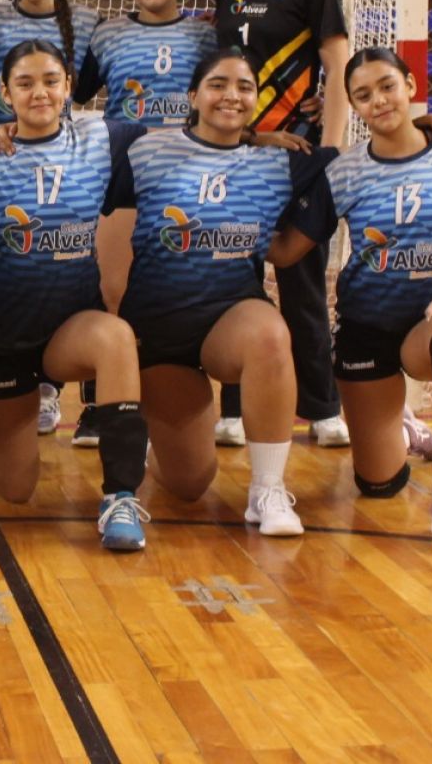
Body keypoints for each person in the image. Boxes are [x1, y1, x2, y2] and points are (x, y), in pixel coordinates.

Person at [270, 47, 432, 552]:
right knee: (378, 485)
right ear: (352, 106)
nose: (377, 100)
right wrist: (231, 227)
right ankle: (401, 430)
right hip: (365, 328)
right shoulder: (345, 172)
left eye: (386, 87)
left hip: (427, 323)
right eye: (363, 95)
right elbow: (290, 251)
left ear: (409, 85)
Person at [106, 48, 315, 536]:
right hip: (159, 335)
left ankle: (267, 490)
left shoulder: (280, 161)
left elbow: (378, 155)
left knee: (270, 335)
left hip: (230, 318)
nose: (232, 95)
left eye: (244, 87)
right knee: (189, 484)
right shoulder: (142, 147)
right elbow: (57, 130)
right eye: (218, 84)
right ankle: (163, 437)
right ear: (193, 96)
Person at [0, 40, 152, 550]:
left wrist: (257, 136)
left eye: (51, 80)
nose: (40, 92)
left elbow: (192, 140)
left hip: (71, 329)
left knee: (116, 336)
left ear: (70, 86)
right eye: (24, 83)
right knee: (14, 488)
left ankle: (120, 496)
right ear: (5, 93)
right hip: (2, 336)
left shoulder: (100, 136)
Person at [213, 0, 354, 449]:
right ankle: (234, 407)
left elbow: (338, 66)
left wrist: (332, 153)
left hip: (300, 153)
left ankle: (321, 407)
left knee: (303, 282)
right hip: (240, 155)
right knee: (231, 278)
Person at [68, 0, 217, 448]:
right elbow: (76, 93)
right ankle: (97, 406)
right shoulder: (107, 35)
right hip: (124, 164)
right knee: (111, 289)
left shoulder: (205, 37)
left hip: (189, 169)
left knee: (188, 287)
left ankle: (212, 403)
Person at [0, 0, 103, 437]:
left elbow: (88, 89)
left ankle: (86, 401)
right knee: (12, 267)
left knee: (80, 268)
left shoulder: (88, 23)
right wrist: (2, 128)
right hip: (4, 153)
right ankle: (2, 389)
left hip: (64, 159)